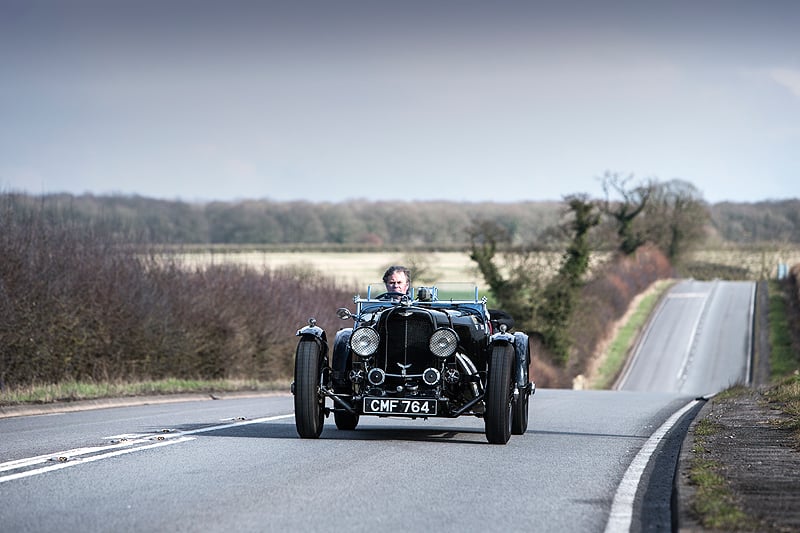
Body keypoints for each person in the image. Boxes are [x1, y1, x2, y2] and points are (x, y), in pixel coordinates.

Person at [332, 265, 412, 391]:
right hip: (376, 352)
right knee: (345, 337)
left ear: (407, 285)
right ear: (386, 285)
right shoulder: (374, 308)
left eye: (399, 282)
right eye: (392, 282)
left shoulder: (419, 308)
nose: (396, 286)